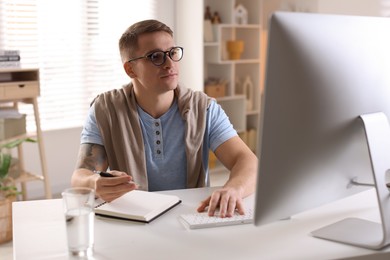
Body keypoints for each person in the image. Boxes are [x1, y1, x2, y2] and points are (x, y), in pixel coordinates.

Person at [71, 19, 257, 218]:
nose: (169, 64)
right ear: (130, 69)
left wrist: (233, 189)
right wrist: (94, 183)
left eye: (172, 53)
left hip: (191, 215)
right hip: (132, 218)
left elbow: (247, 161)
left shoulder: (204, 108)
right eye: (155, 56)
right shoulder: (105, 109)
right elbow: (80, 175)